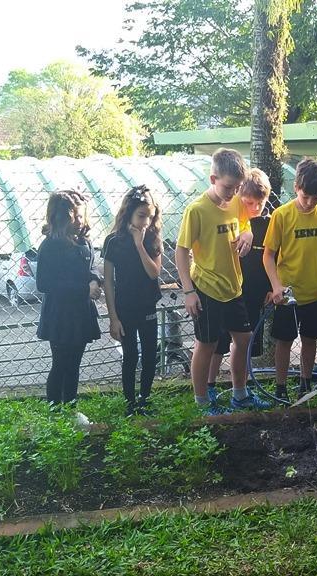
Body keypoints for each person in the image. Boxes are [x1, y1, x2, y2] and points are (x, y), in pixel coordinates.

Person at [175, 148, 269, 415]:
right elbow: (181, 251)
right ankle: (202, 402)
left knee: (244, 338)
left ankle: (239, 394)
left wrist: (248, 234)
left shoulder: (237, 201)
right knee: (206, 344)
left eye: (237, 188)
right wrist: (188, 291)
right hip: (206, 288)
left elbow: (244, 224)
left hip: (233, 287)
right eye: (229, 187)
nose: (233, 193)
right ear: (213, 178)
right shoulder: (197, 210)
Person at [263, 158, 317, 402]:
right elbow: (268, 255)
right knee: (284, 340)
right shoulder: (281, 215)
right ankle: (280, 387)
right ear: (296, 187)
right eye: (306, 195)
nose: (310, 202)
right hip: (288, 294)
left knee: (310, 339)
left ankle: (304, 383)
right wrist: (276, 285)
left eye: (316, 196)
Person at [207, 168, 278, 403]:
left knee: (245, 342)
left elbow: (273, 257)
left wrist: (272, 286)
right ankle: (210, 387)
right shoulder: (228, 218)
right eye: (249, 202)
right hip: (225, 289)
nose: (255, 208)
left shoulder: (268, 224)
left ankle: (242, 390)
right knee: (217, 342)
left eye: (260, 203)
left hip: (254, 293)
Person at [35, 190, 103, 427]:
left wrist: (94, 280)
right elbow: (44, 283)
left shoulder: (84, 241)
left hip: (81, 313)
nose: (82, 221)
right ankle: (55, 413)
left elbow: (91, 268)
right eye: (77, 216)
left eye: (83, 215)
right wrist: (83, 289)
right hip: (61, 315)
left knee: (74, 363)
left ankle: (71, 409)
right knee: (61, 363)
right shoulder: (50, 246)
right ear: (63, 217)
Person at [102, 185, 163, 416]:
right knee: (130, 355)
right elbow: (108, 281)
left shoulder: (153, 238)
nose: (146, 221)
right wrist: (113, 318)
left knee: (149, 354)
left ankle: (145, 399)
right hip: (125, 308)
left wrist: (139, 244)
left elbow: (154, 273)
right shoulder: (113, 241)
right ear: (128, 213)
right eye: (141, 215)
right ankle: (129, 403)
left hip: (147, 306)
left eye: (150, 215)